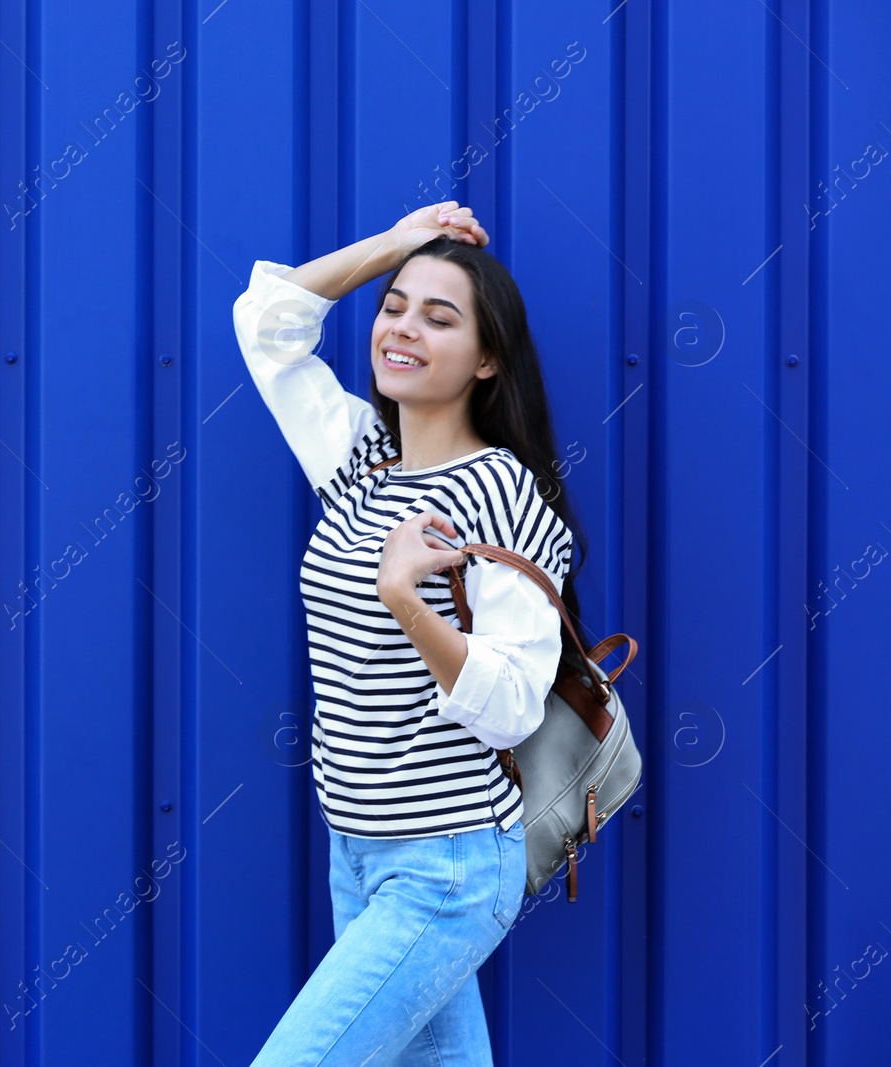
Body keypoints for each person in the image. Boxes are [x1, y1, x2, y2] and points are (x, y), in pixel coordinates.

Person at [233, 202, 589, 1065]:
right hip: (354, 847)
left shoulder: (503, 493)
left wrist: (408, 600)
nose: (404, 328)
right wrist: (397, 245)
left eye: (440, 317)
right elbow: (269, 323)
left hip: (450, 864)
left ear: (488, 359)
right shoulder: (361, 463)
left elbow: (510, 708)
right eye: (394, 306)